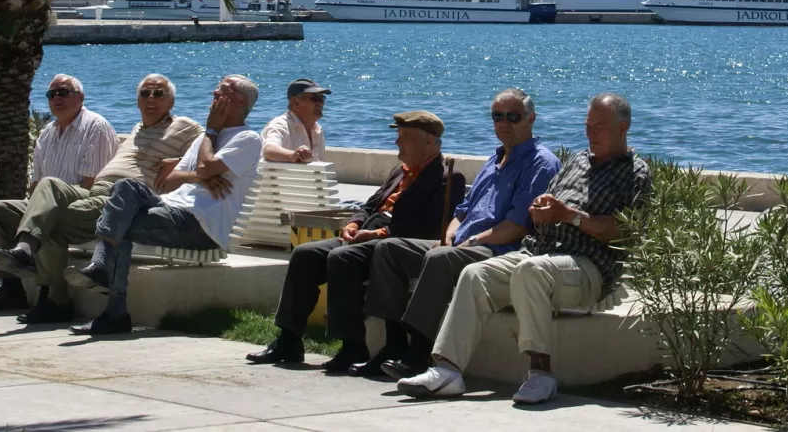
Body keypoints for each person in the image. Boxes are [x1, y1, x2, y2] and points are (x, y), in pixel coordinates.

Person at [399, 92, 651, 406]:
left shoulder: (635, 172)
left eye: (599, 127)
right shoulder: (577, 161)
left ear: (623, 128)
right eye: (588, 125)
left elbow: (621, 230)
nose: (591, 133)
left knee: (531, 271)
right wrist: (541, 210)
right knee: (476, 274)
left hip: (587, 267)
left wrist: (568, 216)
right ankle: (447, 370)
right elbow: (548, 205)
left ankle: (540, 373)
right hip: (540, 252)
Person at [361, 88, 559, 379]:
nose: (504, 122)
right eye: (497, 116)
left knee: (441, 259)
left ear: (531, 119)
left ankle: (419, 353)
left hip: (498, 249)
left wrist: (471, 241)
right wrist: (451, 235)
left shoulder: (541, 163)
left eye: (513, 116)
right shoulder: (493, 161)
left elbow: (516, 226)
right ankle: (394, 345)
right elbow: (462, 211)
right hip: (463, 243)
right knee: (389, 249)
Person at [248, 111, 466, 372]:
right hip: (366, 235)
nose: (398, 143)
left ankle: (352, 345)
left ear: (429, 141)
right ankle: (289, 339)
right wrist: (353, 224)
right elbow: (370, 205)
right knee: (305, 254)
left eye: (405, 138)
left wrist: (376, 235)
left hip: (393, 242)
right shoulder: (399, 172)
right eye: (398, 136)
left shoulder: (447, 177)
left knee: (342, 259)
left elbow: (430, 225)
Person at [0, 74, 202, 324]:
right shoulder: (137, 129)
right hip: (94, 192)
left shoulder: (184, 126)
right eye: (145, 94)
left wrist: (179, 165)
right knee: (45, 186)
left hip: (122, 201)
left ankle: (55, 298)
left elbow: (212, 147)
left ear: (171, 101)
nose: (151, 98)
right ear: (138, 102)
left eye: (158, 94)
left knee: (51, 219)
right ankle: (24, 257)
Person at [65, 75, 263, 336]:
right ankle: (103, 276)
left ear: (240, 102)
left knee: (119, 225)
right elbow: (169, 181)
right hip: (170, 208)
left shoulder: (247, 138)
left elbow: (206, 165)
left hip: (200, 225)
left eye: (222, 91)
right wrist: (199, 175)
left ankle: (112, 306)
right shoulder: (203, 140)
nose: (214, 93)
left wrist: (212, 133)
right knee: (125, 187)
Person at [0, 74, 119, 314]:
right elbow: (35, 184)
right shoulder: (46, 133)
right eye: (52, 94)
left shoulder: (96, 127)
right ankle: (11, 288)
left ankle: (51, 296)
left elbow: (93, 185)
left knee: (49, 202)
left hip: (86, 205)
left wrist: (49, 195)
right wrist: (39, 200)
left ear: (80, 97)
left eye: (64, 92)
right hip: (48, 200)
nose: (57, 98)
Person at [261, 77, 328, 163]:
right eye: (315, 98)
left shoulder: (317, 129)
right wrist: (293, 156)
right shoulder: (280, 125)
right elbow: (269, 150)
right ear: (296, 103)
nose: (320, 103)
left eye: (322, 98)